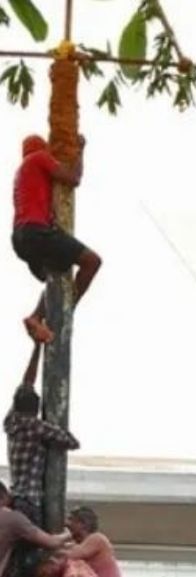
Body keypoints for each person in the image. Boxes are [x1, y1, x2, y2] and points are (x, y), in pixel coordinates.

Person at [11, 133, 101, 345]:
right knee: (92, 261)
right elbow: (73, 178)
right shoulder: (39, 158)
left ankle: (36, 317)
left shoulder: (22, 171)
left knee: (57, 276)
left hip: (20, 238)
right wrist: (79, 150)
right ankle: (67, 310)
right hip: (36, 233)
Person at [5, 344, 80, 524]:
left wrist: (37, 347)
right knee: (34, 546)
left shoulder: (11, 422)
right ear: (37, 410)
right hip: (31, 500)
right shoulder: (37, 427)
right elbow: (72, 442)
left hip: (16, 497)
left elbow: (27, 382)